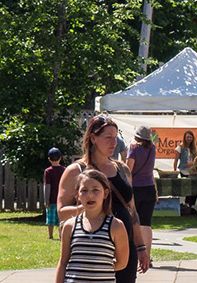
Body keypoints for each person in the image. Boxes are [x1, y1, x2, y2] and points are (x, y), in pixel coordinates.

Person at [58, 116, 150, 282]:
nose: (114, 143)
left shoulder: (122, 169)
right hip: (92, 248)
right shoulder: (76, 170)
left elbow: (132, 211)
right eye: (108, 138)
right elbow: (62, 212)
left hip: (124, 246)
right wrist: (87, 208)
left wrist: (141, 246)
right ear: (93, 138)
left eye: (116, 138)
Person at [56, 169, 130, 283]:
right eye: (84, 190)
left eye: (96, 190)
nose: (90, 195)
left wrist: (99, 268)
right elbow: (63, 263)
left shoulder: (116, 226)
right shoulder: (70, 226)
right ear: (77, 195)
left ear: (105, 193)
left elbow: (122, 262)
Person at [127, 126, 158, 254]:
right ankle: (147, 255)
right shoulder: (153, 148)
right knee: (146, 223)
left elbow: (128, 170)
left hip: (136, 188)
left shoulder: (133, 149)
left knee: (132, 221)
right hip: (149, 188)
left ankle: (134, 253)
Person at [45, 147, 67, 239]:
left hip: (51, 199)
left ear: (49, 159)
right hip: (62, 199)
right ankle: (61, 235)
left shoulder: (48, 171)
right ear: (60, 158)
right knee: (61, 219)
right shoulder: (64, 170)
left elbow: (47, 186)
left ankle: (50, 235)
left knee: (50, 219)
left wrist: (46, 201)